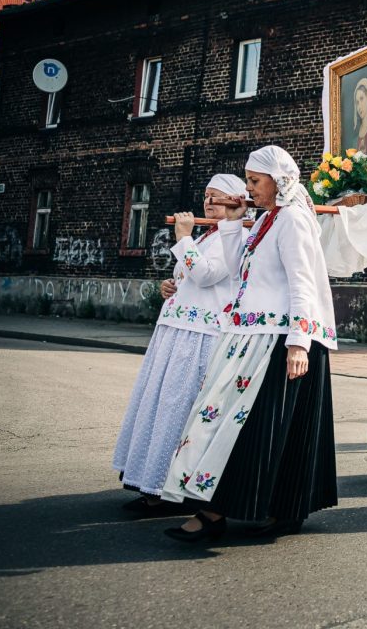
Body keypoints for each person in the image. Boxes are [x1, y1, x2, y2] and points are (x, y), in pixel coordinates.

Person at [161, 145, 338, 541]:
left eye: (255, 181)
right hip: (249, 335)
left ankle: (252, 509)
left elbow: (303, 281)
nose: (249, 188)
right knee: (223, 419)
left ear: (279, 181)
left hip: (279, 339)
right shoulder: (264, 221)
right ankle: (216, 508)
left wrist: (298, 343)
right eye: (248, 180)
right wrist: (232, 222)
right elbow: (236, 267)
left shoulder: (293, 219)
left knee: (253, 427)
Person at [113, 175, 248, 515]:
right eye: (206, 196)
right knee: (160, 404)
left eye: (216, 197)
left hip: (201, 335)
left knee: (179, 408)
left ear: (235, 201)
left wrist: (183, 238)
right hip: (176, 329)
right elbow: (191, 275)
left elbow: (207, 274)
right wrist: (171, 284)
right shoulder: (207, 235)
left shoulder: (237, 236)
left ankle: (169, 488)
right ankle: (150, 479)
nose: (208, 202)